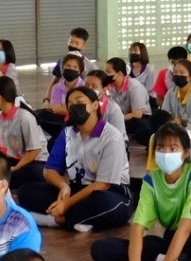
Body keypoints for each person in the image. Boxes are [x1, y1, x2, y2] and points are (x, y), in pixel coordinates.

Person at [90, 123, 191, 261]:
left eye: (173, 148)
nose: (165, 153)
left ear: (186, 153)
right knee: (102, 249)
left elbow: (185, 228)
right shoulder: (151, 180)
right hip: (170, 241)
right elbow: (138, 226)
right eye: (160, 148)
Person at [14, 87, 133, 232]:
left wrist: (67, 204)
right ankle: (79, 219)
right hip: (77, 188)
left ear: (95, 105)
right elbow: (49, 170)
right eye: (70, 104)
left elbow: (103, 184)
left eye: (79, 102)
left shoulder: (111, 137)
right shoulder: (68, 132)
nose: (74, 106)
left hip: (110, 191)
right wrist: (64, 187)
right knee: (27, 191)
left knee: (106, 204)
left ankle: (57, 220)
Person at [0, 76, 48, 187]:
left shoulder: (24, 117)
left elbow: (34, 150)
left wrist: (15, 168)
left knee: (33, 173)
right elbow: (1, 147)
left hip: (35, 161)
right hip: (15, 158)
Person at [103, 57, 153, 142]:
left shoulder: (134, 86)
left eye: (108, 72)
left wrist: (118, 118)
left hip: (139, 119)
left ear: (119, 73)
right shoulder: (110, 87)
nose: (106, 75)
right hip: (123, 117)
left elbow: (137, 114)